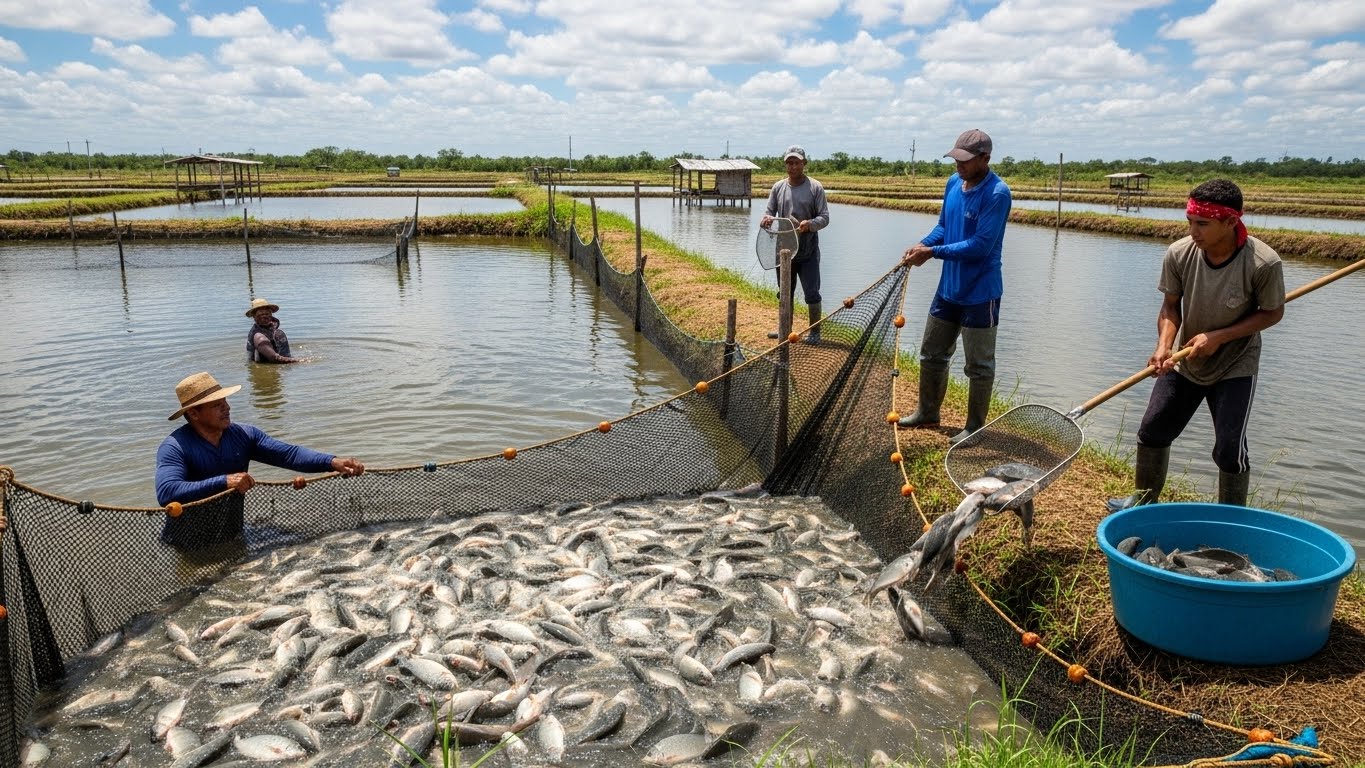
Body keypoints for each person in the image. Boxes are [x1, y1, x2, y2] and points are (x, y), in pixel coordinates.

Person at [1109, 179, 1284, 510]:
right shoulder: (1179, 253)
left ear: (1231, 222)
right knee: (1152, 429)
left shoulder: (1263, 262)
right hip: (1186, 358)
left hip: (1236, 363)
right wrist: (1164, 345)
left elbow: (1273, 313)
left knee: (1230, 449)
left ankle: (1231, 518)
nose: (1193, 231)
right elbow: (1171, 308)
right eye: (1190, 222)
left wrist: (1220, 337)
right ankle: (1143, 502)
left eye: (1202, 224)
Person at [155, 371, 365, 549]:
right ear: (193, 413)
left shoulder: (243, 435)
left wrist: (332, 462)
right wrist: (225, 481)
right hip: (187, 543)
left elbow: (289, 454)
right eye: (217, 404)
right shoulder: (175, 447)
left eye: (225, 401)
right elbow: (167, 492)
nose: (227, 407)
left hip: (232, 534)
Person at [897, 129, 1012, 445]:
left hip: (980, 293)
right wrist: (923, 244)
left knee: (979, 365)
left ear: (985, 159)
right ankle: (927, 411)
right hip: (948, 288)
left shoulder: (997, 194)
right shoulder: (952, 184)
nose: (958, 165)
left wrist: (932, 253)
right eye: (956, 158)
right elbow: (944, 228)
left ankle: (974, 427)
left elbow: (980, 246)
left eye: (965, 160)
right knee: (932, 354)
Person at [761, 145, 830, 344]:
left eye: (796, 162)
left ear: (804, 164)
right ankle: (785, 329)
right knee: (784, 292)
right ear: (785, 165)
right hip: (784, 250)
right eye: (789, 163)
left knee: (812, 292)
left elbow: (824, 217)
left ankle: (815, 332)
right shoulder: (778, 187)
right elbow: (768, 213)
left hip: (807, 250)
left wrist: (810, 224)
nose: (792, 167)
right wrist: (765, 219)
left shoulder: (815, 187)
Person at [246, 298, 302, 363]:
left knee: (279, 333)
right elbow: (274, 358)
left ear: (271, 313)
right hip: (266, 366)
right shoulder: (258, 337)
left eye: (266, 314)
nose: (264, 317)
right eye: (260, 315)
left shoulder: (274, 330)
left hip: (278, 364)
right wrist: (301, 361)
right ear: (254, 316)